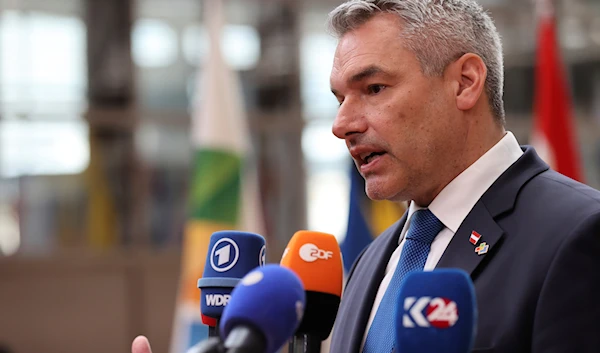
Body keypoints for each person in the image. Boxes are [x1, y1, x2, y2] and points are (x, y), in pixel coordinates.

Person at [326, 0, 600, 352]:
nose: (341, 125)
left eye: (374, 88)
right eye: (339, 99)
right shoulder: (369, 260)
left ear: (465, 82)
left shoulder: (579, 233)